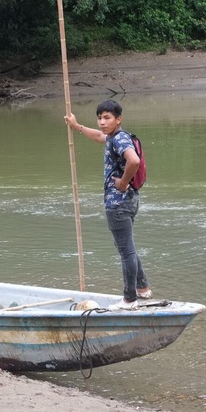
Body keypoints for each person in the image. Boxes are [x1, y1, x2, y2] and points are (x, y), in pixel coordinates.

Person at [64, 100, 151, 311]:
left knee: (125, 250)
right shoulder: (116, 137)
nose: (102, 122)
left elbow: (134, 161)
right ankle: (142, 288)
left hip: (118, 202)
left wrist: (122, 182)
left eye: (107, 118)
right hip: (130, 200)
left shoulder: (120, 139)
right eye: (100, 118)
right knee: (127, 246)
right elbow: (98, 136)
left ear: (118, 119)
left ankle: (129, 300)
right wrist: (77, 127)